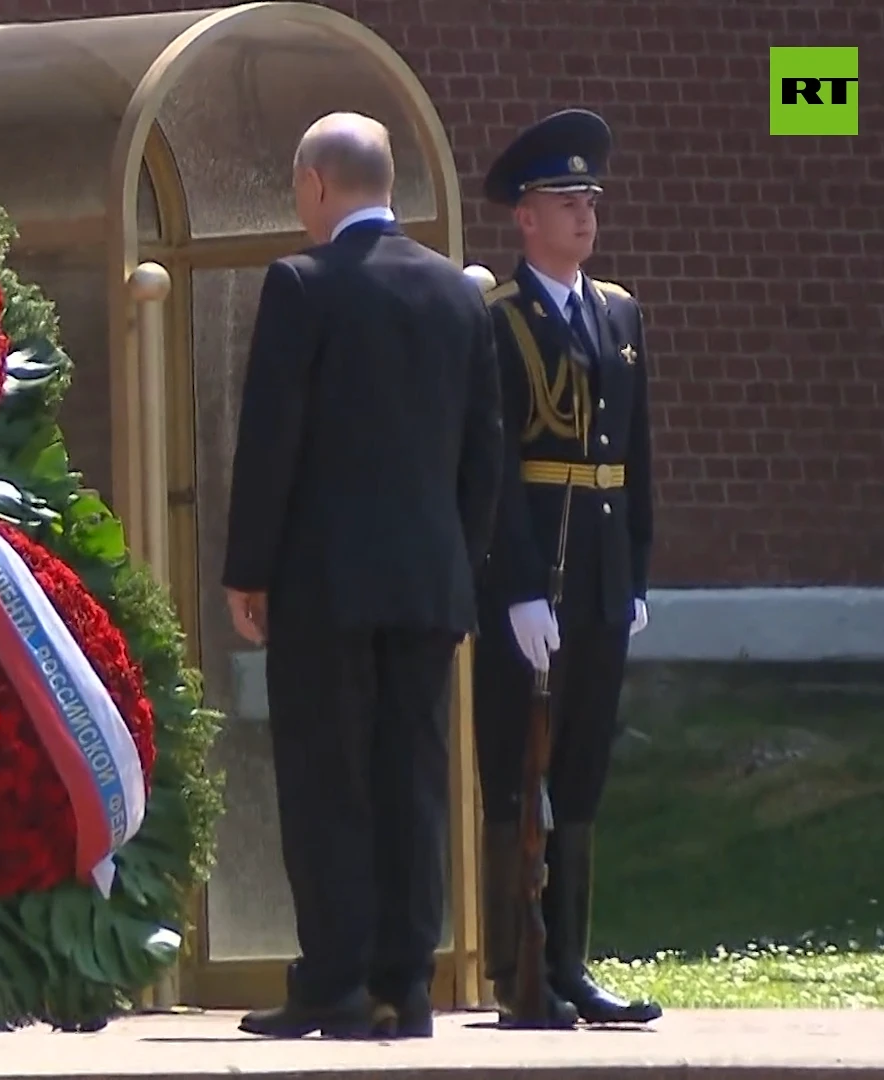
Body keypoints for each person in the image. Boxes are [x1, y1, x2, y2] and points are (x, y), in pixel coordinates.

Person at [221, 112, 503, 1040]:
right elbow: (482, 458)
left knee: (327, 778)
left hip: (325, 585)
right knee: (412, 781)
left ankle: (335, 981)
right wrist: (457, 566)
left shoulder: (303, 285)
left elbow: (273, 444)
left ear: (314, 184)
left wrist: (248, 570)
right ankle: (406, 984)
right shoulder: (458, 297)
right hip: (428, 585)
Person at [473, 108, 662, 1028]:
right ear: (525, 218)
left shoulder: (618, 312)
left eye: (590, 199)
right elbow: (494, 468)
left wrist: (633, 572)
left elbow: (637, 455)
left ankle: (573, 962)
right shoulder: (499, 321)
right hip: (532, 581)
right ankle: (519, 969)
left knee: (580, 767)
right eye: (564, 200)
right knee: (518, 768)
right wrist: (510, 587)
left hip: (595, 576)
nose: (584, 215)